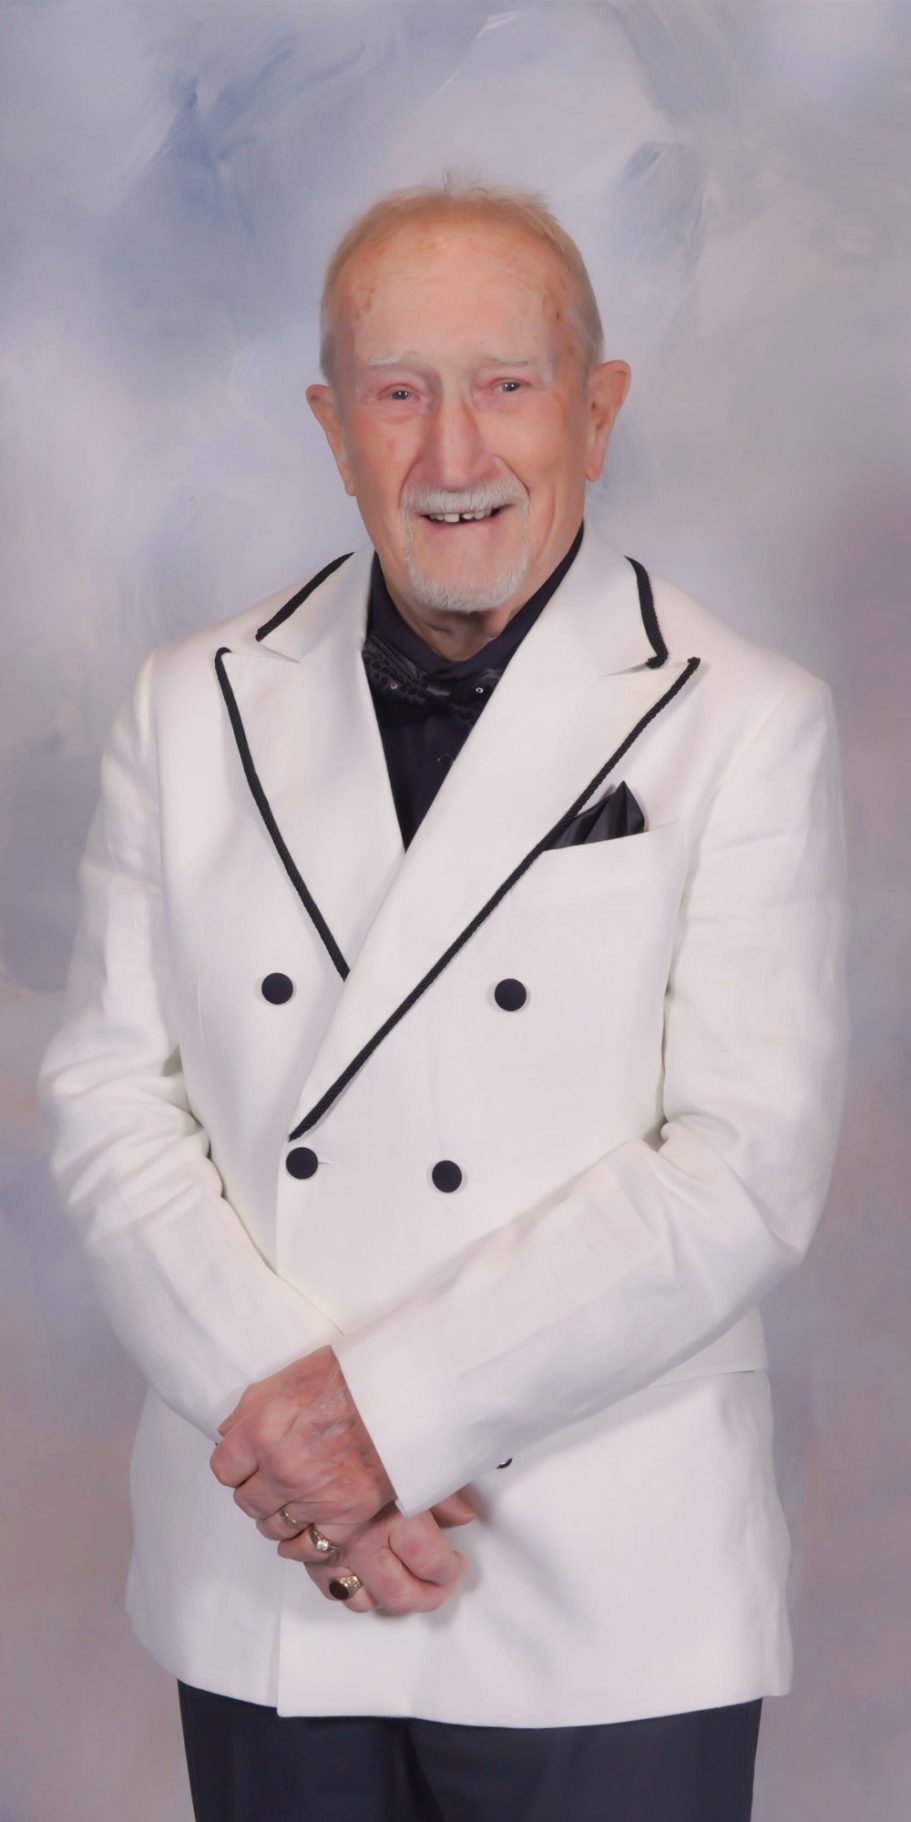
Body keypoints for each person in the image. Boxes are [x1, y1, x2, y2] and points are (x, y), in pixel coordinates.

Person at [37, 175, 849, 1821]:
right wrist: (304, 1457)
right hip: (273, 1570)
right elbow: (112, 1103)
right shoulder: (188, 705)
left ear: (596, 411)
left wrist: (385, 1424)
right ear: (332, 428)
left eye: (507, 384)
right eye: (400, 392)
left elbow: (743, 1162)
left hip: (607, 1593)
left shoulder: (748, 719)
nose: (454, 451)